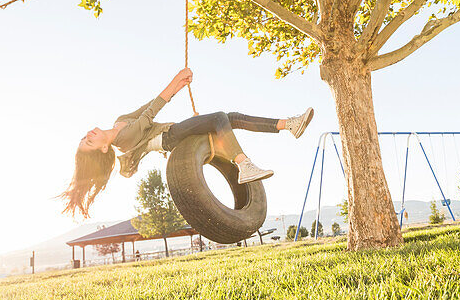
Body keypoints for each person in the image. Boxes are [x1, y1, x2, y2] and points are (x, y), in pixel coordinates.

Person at [61, 68, 314, 218]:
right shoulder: (123, 140)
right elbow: (151, 112)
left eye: (85, 138)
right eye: (89, 143)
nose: (88, 136)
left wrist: (178, 85)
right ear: (103, 149)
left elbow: (144, 106)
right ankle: (244, 165)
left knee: (229, 118)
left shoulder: (119, 122)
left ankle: (289, 124)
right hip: (171, 138)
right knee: (218, 118)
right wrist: (176, 82)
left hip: (175, 131)